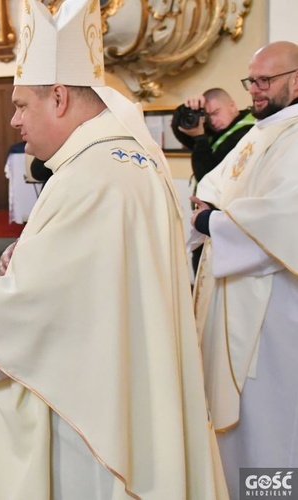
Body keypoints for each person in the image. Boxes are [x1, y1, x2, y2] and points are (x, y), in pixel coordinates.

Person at [0, 0, 227, 498]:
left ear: (58, 97)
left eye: (21, 104)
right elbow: (88, 279)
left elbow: (43, 306)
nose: (13, 120)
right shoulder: (131, 156)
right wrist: (29, 256)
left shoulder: (92, 175)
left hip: (96, 405)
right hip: (131, 375)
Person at [191, 40, 298, 496]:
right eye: (250, 80)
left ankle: (271, 492)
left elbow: (285, 217)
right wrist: (207, 213)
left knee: (267, 416)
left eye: (264, 80)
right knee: (236, 420)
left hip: (269, 309)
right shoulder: (259, 132)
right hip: (229, 297)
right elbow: (214, 185)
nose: (254, 89)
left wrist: (210, 220)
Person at [171, 88, 255, 272]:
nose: (213, 121)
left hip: (223, 219)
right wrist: (186, 109)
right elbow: (180, 129)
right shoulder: (218, 130)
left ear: (232, 105)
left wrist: (200, 138)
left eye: (216, 113)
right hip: (206, 219)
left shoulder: (246, 133)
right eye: (207, 116)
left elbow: (207, 173)